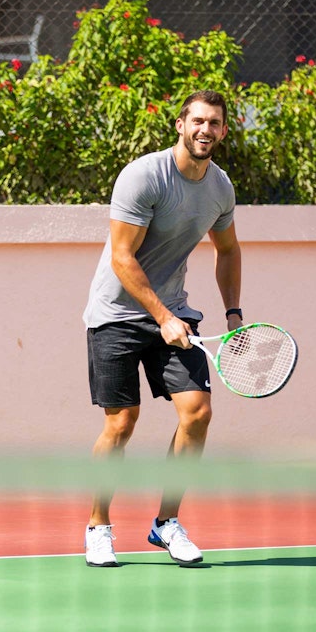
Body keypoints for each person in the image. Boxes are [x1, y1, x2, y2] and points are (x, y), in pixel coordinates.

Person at [81, 89, 242, 568]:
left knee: (197, 414)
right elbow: (122, 256)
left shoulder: (220, 188)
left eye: (214, 123)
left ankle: (166, 523)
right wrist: (162, 318)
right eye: (198, 121)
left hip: (172, 310)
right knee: (121, 423)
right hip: (115, 314)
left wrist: (233, 313)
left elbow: (228, 250)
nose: (205, 130)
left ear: (223, 131)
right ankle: (98, 526)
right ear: (180, 125)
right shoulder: (144, 176)